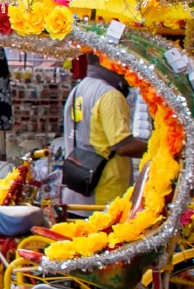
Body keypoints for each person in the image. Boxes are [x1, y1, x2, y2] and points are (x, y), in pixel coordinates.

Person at [62, 55, 148, 208]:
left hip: (78, 192)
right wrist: (160, 148)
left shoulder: (78, 90)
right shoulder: (110, 95)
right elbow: (123, 146)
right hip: (104, 194)